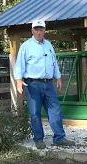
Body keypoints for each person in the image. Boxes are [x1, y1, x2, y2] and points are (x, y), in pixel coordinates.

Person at [13, 20, 75, 149]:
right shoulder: (26, 46)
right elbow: (19, 64)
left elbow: (54, 61)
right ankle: (39, 139)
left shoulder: (48, 45)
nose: (39, 32)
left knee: (55, 109)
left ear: (45, 30)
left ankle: (59, 137)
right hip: (32, 83)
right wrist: (18, 80)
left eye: (41, 29)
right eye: (36, 29)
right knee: (35, 112)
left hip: (48, 83)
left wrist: (58, 77)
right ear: (32, 30)